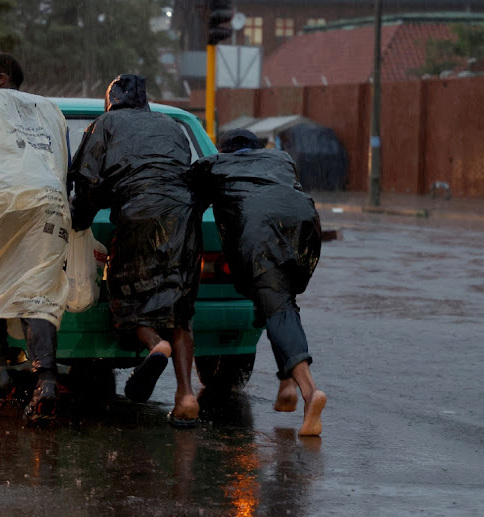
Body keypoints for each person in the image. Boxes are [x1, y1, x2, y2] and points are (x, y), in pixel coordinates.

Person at [67, 74, 203, 428]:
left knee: (130, 295)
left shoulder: (105, 124)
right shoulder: (171, 125)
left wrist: (80, 221)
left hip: (138, 215)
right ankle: (187, 395)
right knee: (177, 306)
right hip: (184, 218)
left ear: (110, 101)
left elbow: (87, 180)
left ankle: (155, 345)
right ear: (145, 101)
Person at [191, 129, 327, 436]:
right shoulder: (281, 159)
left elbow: (188, 205)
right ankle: (286, 386)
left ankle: (309, 392)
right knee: (279, 302)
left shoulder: (215, 165)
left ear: (223, 150)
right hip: (304, 229)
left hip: (260, 237)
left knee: (277, 306)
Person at [0, 52, 71, 422]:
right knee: (38, 293)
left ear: (1, 79)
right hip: (48, 202)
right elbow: (62, 164)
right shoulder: (50, 110)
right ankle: (47, 382)